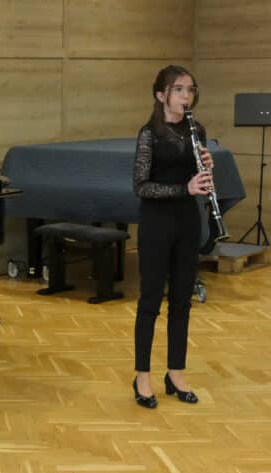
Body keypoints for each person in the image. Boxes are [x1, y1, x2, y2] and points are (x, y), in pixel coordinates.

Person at [132, 65, 214, 408]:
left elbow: (197, 179)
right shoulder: (149, 134)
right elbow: (141, 187)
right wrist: (186, 187)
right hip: (156, 224)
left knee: (182, 301)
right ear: (161, 95)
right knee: (150, 302)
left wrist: (206, 170)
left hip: (187, 223)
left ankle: (175, 373)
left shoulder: (197, 130)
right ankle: (142, 377)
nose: (186, 96)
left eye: (190, 90)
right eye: (179, 89)